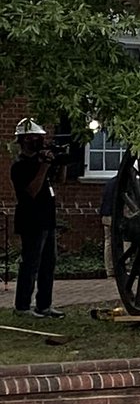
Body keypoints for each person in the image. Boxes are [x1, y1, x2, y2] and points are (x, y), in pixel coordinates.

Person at [10, 118, 65, 318]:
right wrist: (43, 167)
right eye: (35, 137)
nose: (39, 141)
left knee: (48, 264)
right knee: (31, 264)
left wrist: (56, 162)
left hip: (47, 219)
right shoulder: (20, 166)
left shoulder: (40, 161)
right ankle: (22, 306)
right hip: (31, 220)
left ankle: (44, 305)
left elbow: (59, 181)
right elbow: (32, 191)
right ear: (24, 139)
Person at [98, 174, 118, 278]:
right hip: (115, 216)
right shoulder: (121, 183)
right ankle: (125, 267)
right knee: (125, 241)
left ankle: (109, 269)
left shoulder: (109, 183)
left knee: (108, 242)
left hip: (105, 214)